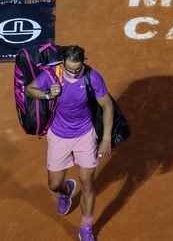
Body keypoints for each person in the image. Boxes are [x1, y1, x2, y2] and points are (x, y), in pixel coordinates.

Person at [26, 45, 114, 241]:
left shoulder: (92, 76)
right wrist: (48, 94)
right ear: (63, 62)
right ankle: (65, 192)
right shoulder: (52, 74)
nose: (74, 73)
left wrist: (106, 138)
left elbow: (107, 106)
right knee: (54, 184)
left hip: (85, 135)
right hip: (59, 135)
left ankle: (86, 227)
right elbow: (30, 90)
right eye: (70, 69)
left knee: (88, 184)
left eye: (78, 68)